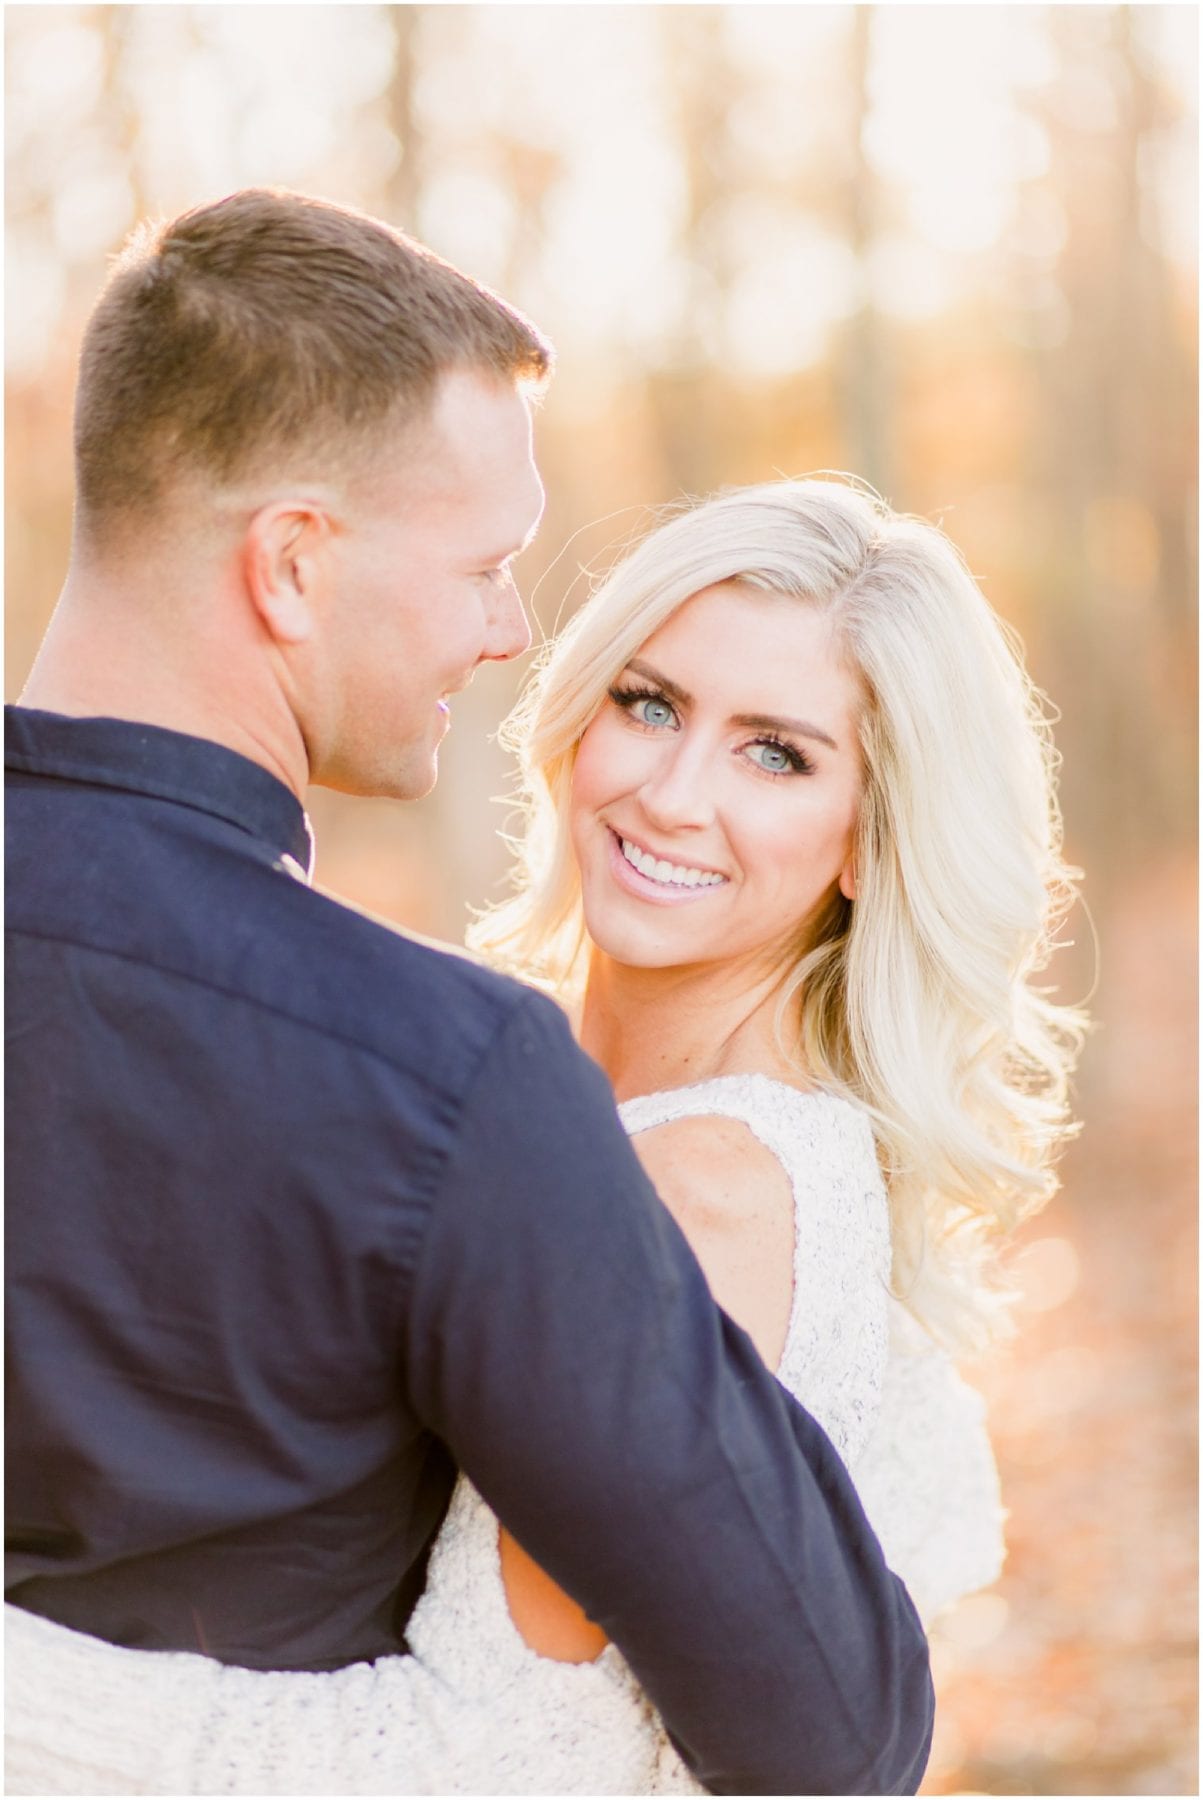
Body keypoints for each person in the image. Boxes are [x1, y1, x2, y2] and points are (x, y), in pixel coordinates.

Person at [4, 191, 935, 1796]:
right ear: (292, 565)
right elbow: (835, 1730)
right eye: (484, 565)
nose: (513, 631)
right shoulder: (446, 1082)